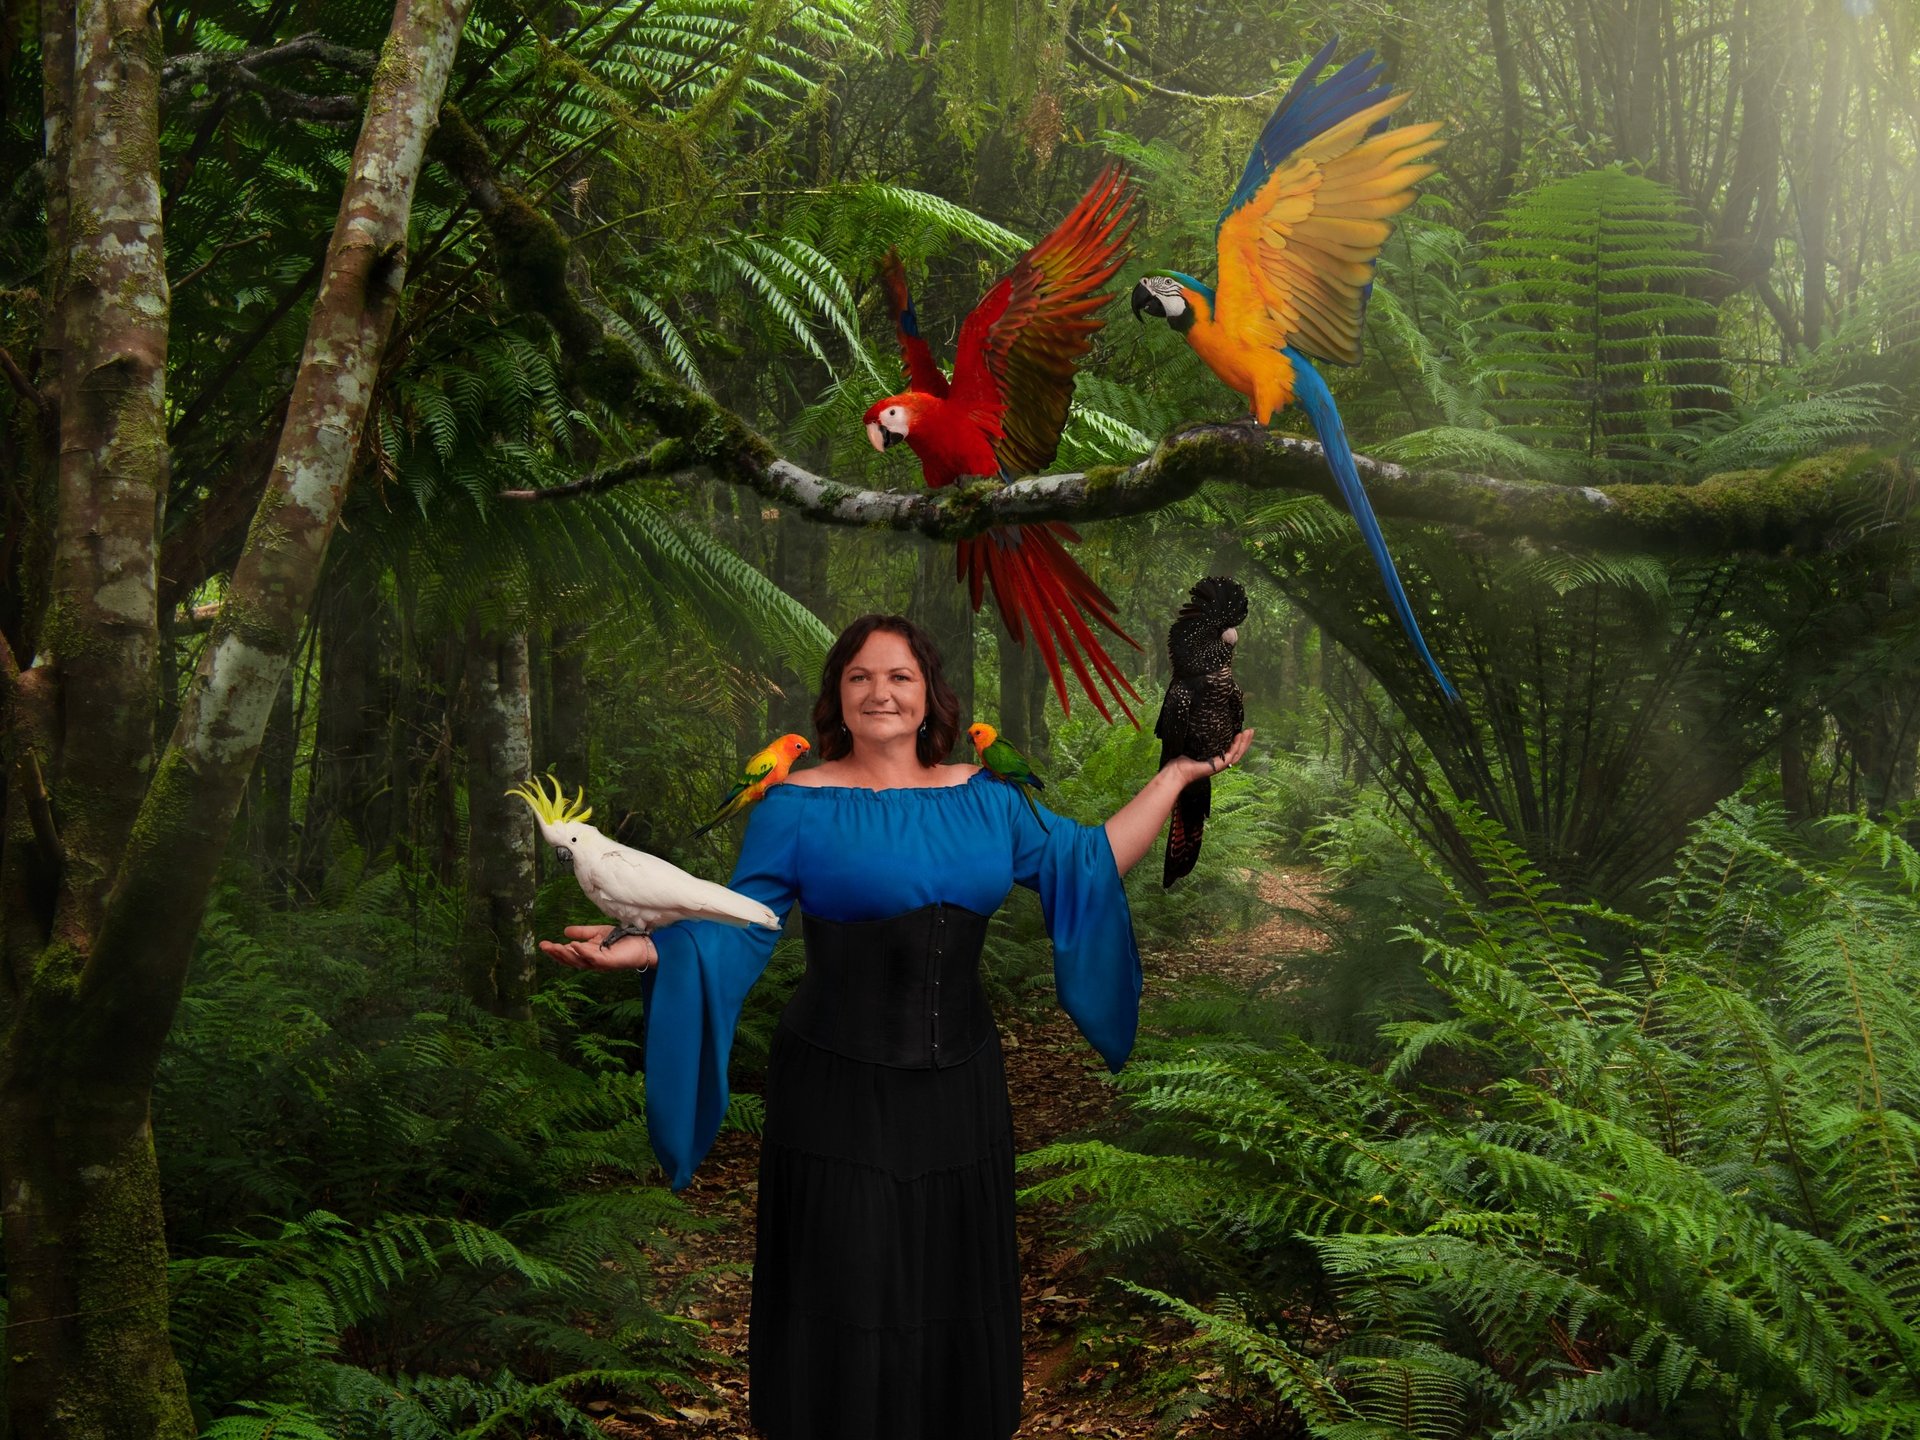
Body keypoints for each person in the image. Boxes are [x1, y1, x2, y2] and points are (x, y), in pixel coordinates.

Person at [541, 614, 1252, 1440]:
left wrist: (1175, 775)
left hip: (963, 1091)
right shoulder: (793, 806)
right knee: (846, 1280)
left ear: (930, 696)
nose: (881, 691)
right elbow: (741, 922)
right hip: (836, 1092)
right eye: (860, 677)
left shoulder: (989, 799)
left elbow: (1085, 862)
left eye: (900, 677)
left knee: (949, 1286)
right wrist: (645, 949)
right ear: (838, 698)